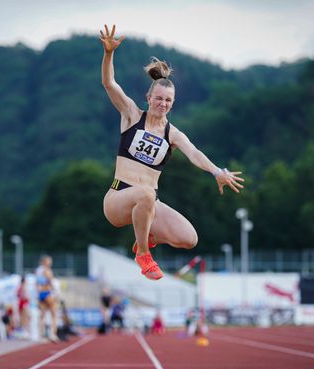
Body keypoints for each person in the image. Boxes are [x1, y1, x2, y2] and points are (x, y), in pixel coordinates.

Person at [99, 24, 244, 281]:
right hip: (118, 199)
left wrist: (216, 172)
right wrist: (109, 53)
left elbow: (195, 153)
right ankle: (143, 253)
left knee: (189, 238)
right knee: (144, 193)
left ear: (173, 103)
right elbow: (109, 83)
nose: (162, 103)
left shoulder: (172, 134)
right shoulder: (132, 115)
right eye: (158, 98)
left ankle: (146, 236)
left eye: (168, 100)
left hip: (147, 203)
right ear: (149, 97)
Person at [35, 255, 59, 343]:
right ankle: (53, 334)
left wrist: (38, 295)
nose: (50, 263)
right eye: (49, 261)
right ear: (45, 262)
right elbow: (51, 282)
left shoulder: (38, 271)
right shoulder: (47, 271)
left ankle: (41, 335)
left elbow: (36, 284)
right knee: (54, 314)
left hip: (41, 293)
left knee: (43, 315)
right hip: (48, 293)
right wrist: (56, 293)